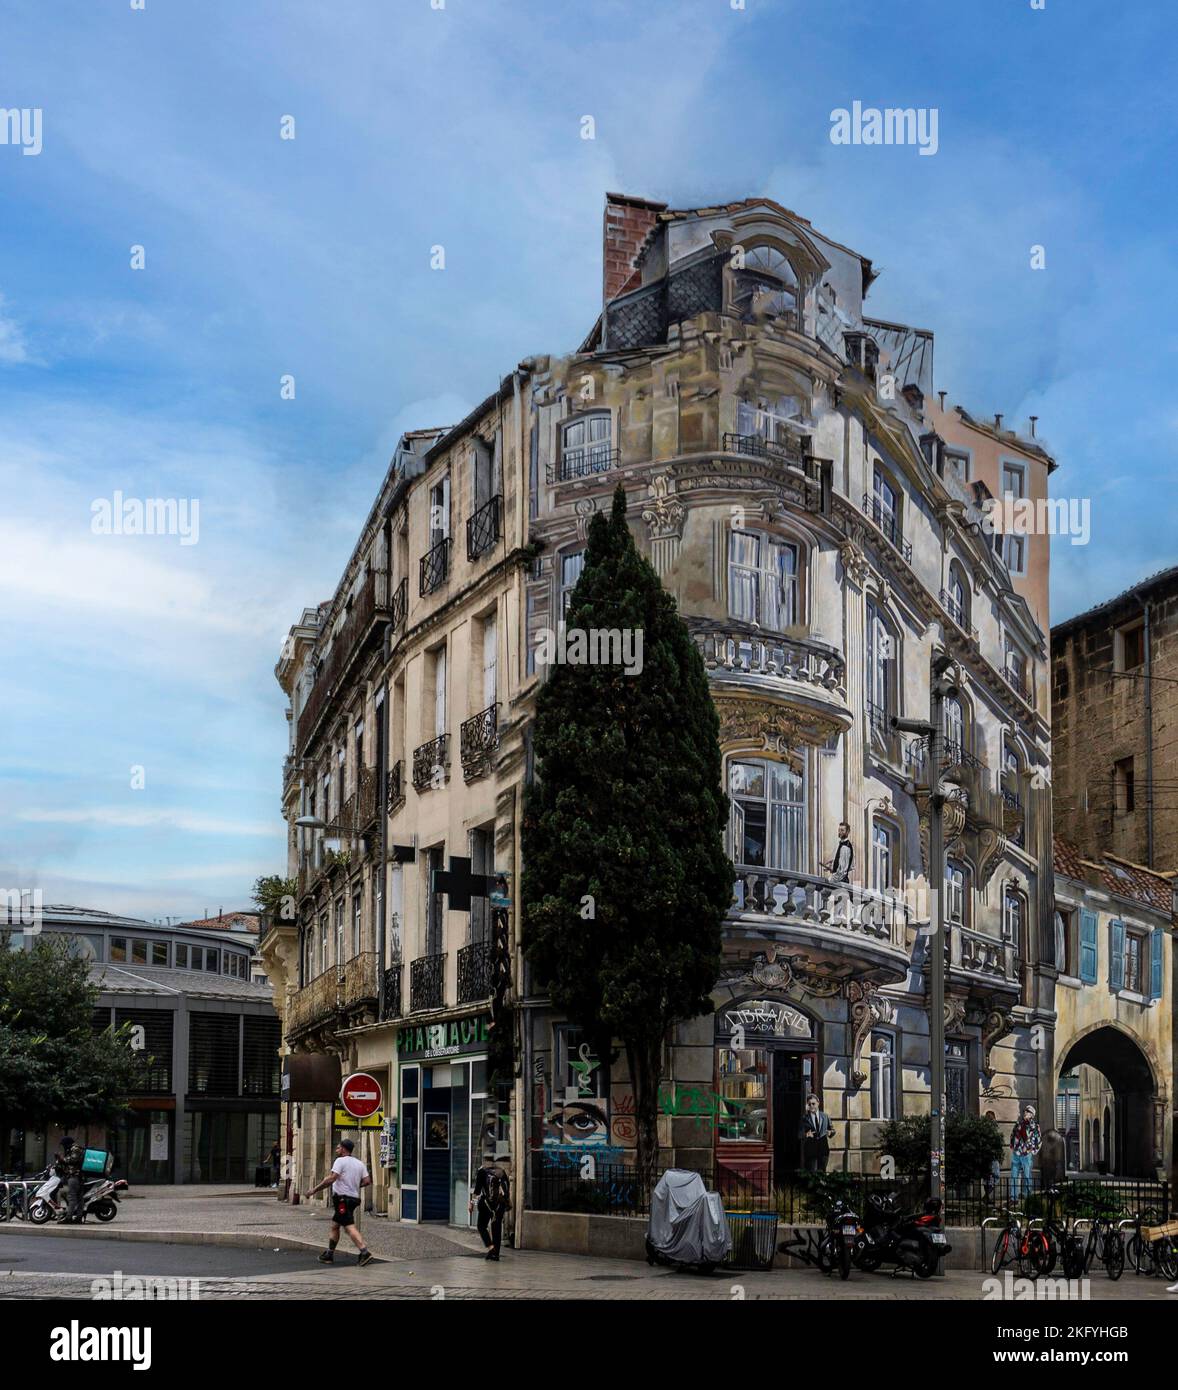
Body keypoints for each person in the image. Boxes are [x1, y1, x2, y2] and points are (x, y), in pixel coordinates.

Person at [303, 1139, 374, 1266]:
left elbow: (331, 1179)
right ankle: (329, 1254)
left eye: (338, 1147)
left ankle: (364, 1252)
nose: (336, 1149)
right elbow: (367, 1181)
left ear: (344, 1149)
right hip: (353, 1199)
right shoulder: (359, 1163)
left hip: (342, 1200)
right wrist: (354, 1185)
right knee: (335, 1225)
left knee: (349, 1226)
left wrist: (314, 1190)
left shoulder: (340, 1161)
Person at [468, 1151, 509, 1260]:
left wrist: (471, 1203)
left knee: (481, 1226)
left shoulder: (482, 1171)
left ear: (484, 1160)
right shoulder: (501, 1172)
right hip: (499, 1206)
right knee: (496, 1229)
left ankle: (491, 1248)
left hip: (486, 1205)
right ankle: (496, 1254)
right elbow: (506, 1190)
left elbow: (477, 1191)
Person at [1009, 1103, 1042, 1203]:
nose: (1025, 1113)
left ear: (1032, 1114)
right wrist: (1012, 1146)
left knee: (1027, 1176)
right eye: (1025, 1111)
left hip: (1026, 1154)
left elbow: (1039, 1140)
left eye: (1028, 1112)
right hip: (1016, 1153)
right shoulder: (1018, 1124)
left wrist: (1033, 1150)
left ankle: (1028, 1197)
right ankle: (1013, 1198)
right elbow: (1012, 1135)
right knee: (1014, 1176)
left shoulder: (1035, 1126)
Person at [798, 1094, 834, 1172]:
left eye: (813, 1103)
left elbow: (832, 1130)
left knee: (822, 1172)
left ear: (818, 1103)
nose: (811, 1106)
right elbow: (800, 1135)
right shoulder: (804, 1118)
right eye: (809, 1104)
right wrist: (806, 1134)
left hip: (823, 1149)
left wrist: (830, 1132)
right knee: (811, 1173)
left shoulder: (825, 1116)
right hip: (810, 1149)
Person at [55, 1135, 86, 1224]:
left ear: (67, 1143)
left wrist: (61, 1158)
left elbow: (73, 1160)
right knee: (79, 1199)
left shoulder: (75, 1149)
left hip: (74, 1177)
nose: (63, 1147)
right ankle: (78, 1218)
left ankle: (69, 1218)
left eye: (63, 1145)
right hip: (79, 1177)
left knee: (72, 1198)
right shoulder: (74, 1149)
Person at [983, 1110, 1003, 1202]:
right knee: (992, 1176)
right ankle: (987, 1196)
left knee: (991, 1177)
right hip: (990, 1155)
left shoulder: (994, 1128)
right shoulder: (987, 1129)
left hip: (992, 1155)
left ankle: (987, 1196)